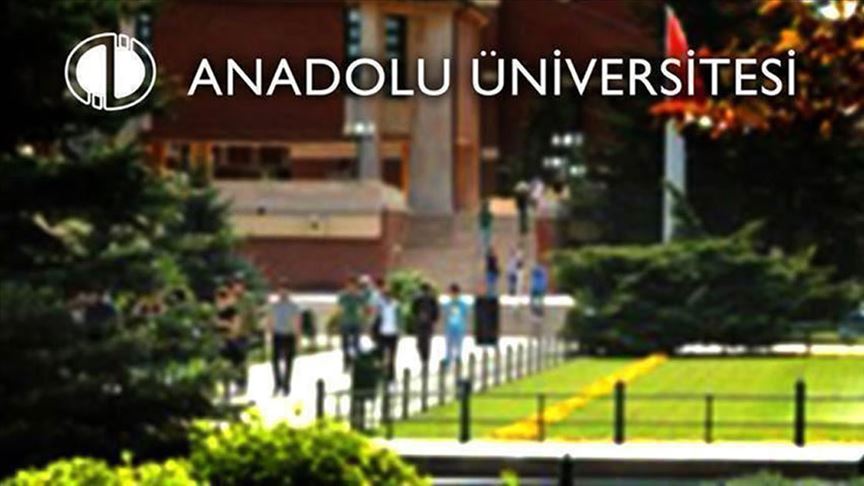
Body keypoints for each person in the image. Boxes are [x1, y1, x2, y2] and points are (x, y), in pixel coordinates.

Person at [268, 284, 301, 396]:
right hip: (277, 335)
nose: (283, 293)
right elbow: (270, 320)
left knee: (289, 362)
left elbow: (297, 322)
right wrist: (269, 334)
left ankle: (286, 385)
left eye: (285, 291)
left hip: (289, 335)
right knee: (275, 361)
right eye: (281, 291)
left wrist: (297, 339)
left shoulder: (293, 307)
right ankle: (277, 384)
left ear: (289, 292)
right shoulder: (274, 306)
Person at [338, 277, 365, 371]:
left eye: (354, 286)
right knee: (345, 345)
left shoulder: (359, 296)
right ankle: (346, 363)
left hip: (356, 322)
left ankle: (356, 364)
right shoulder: (343, 296)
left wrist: (362, 318)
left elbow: (362, 310)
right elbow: (340, 309)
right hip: (345, 322)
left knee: (356, 344)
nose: (352, 287)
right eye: (350, 285)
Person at [376, 286, 401, 382]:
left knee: (392, 356)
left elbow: (400, 318)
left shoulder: (396, 305)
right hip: (382, 334)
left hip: (393, 334)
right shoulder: (380, 305)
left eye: (388, 296)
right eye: (385, 296)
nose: (387, 298)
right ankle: (381, 376)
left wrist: (400, 330)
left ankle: (391, 376)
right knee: (381, 356)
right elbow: (376, 318)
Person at [411, 282, 439, 366]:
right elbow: (436, 312)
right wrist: (434, 320)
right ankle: (425, 360)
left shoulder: (417, 298)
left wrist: (416, 318)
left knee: (420, 343)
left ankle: (424, 359)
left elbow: (413, 311)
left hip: (420, 323)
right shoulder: (432, 298)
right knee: (427, 342)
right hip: (428, 323)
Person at [442, 283, 469, 368]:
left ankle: (458, 362)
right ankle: (448, 362)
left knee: (458, 346)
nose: (452, 295)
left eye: (453, 293)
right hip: (449, 328)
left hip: (459, 328)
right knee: (449, 346)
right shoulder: (448, 304)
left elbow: (465, 315)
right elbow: (445, 316)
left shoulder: (463, 304)